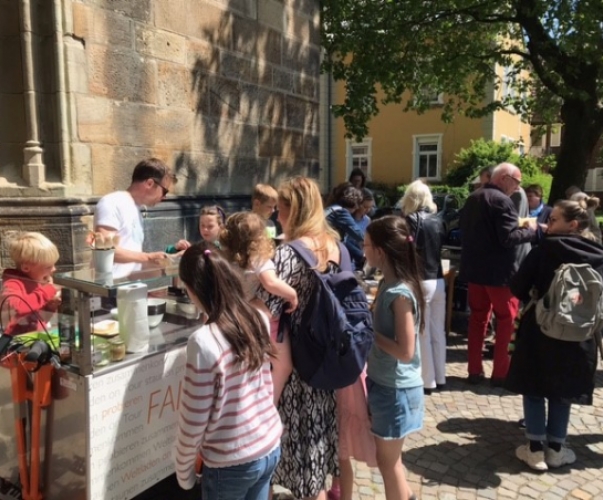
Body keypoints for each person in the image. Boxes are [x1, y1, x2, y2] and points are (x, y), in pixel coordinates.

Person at [173, 243, 282, 498]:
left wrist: (184, 472)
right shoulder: (257, 317)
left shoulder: (202, 342)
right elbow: (266, 386)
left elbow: (193, 418)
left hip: (230, 462)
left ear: (191, 290)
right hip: (268, 444)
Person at [505, 198, 603, 471]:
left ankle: (535, 449)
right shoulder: (598, 253)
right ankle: (557, 448)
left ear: (572, 224)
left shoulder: (544, 250)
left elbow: (518, 286)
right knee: (564, 389)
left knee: (534, 384)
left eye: (555, 219)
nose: (549, 224)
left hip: (541, 326)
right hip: (580, 332)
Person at [262, 176, 340, 499]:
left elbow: (267, 310)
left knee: (297, 454)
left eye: (280, 210)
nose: (277, 217)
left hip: (293, 369)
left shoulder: (289, 255)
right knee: (316, 457)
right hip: (325, 363)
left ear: (293, 211)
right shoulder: (335, 246)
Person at [364, 216, 425, 500]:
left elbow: (405, 350)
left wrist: (368, 332)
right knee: (391, 461)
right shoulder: (389, 283)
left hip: (395, 389)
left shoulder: (400, 293)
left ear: (381, 252)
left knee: (388, 464)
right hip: (386, 383)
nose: (362, 250)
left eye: (366, 245)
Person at [459, 162, 537, 385]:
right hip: (499, 276)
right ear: (504, 178)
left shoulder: (473, 197)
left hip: (475, 272)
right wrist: (530, 231)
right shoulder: (502, 201)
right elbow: (508, 239)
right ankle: (501, 373)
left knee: (477, 320)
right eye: (517, 182)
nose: (518, 188)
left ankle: (474, 370)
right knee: (506, 321)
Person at [219, 211, 297, 403]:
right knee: (282, 365)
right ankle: (269, 404)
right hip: (257, 317)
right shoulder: (258, 258)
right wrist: (292, 294)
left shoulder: (225, 259)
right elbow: (271, 283)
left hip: (233, 317)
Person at [94, 157, 176, 277]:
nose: (164, 198)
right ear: (149, 183)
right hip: (108, 290)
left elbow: (132, 261)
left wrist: (173, 257)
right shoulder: (112, 202)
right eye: (164, 191)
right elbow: (106, 250)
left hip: (129, 288)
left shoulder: (136, 209)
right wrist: (148, 257)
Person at [401, 180, 447, 394]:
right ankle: (440, 376)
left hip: (420, 279)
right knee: (438, 330)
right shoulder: (439, 220)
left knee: (423, 332)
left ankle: (427, 381)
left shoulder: (409, 220)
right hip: (438, 279)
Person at [1, 232, 61, 336]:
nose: (54, 269)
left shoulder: (36, 282)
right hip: (17, 345)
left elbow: (40, 320)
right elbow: (17, 309)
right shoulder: (12, 284)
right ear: (26, 268)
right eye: (48, 267)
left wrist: (49, 307)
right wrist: (47, 291)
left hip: (35, 339)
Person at [325, 182, 365, 269]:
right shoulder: (341, 212)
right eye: (358, 203)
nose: (358, 207)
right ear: (353, 202)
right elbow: (357, 233)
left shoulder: (332, 208)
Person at [344, 188, 375, 271]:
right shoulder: (347, 219)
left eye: (370, 207)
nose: (367, 210)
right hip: (347, 259)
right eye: (365, 207)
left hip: (360, 262)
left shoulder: (367, 220)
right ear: (358, 204)